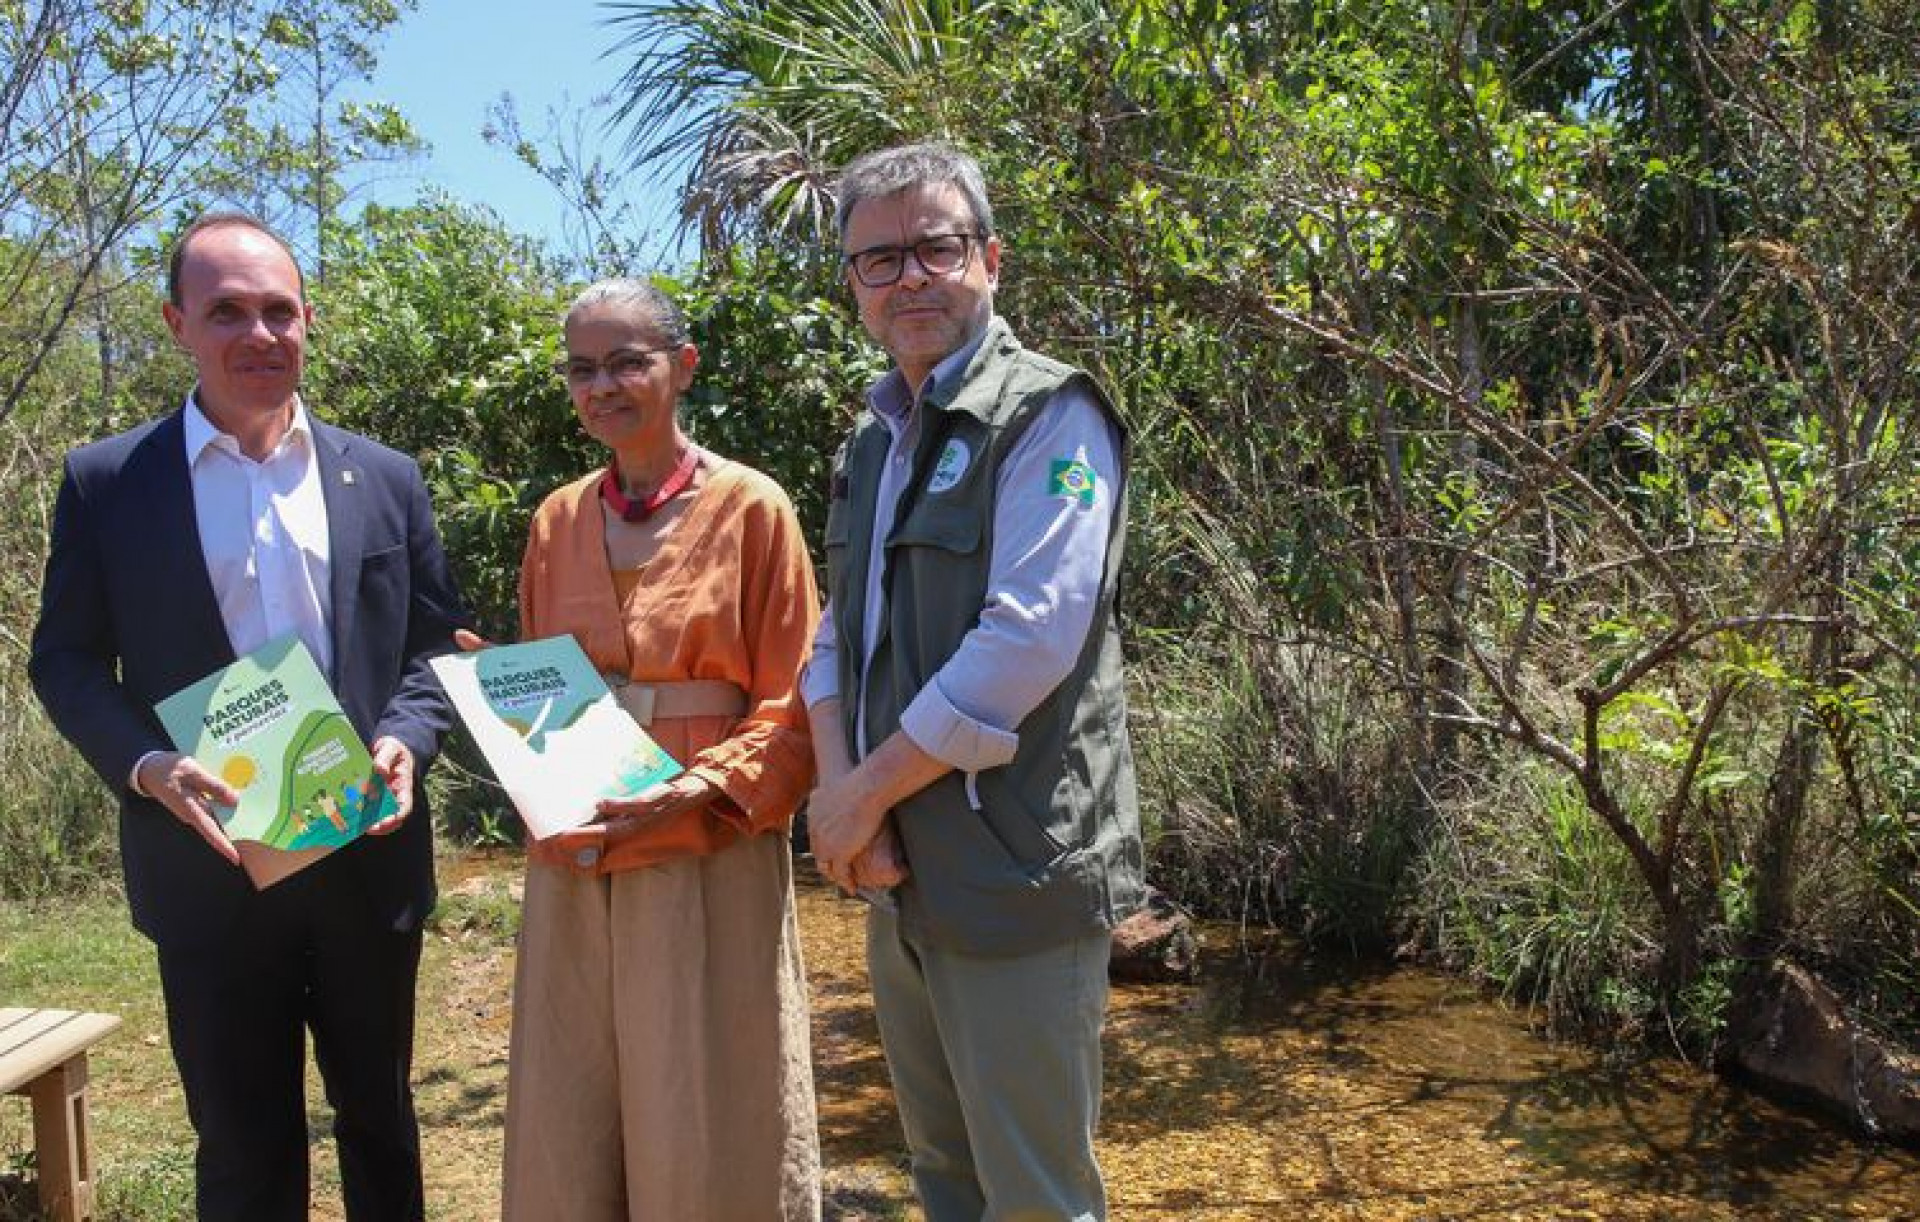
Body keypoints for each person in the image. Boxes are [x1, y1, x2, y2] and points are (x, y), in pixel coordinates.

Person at [28, 213, 467, 1221]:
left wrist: (407, 736)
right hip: (209, 862)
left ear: (308, 320)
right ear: (178, 321)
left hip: (365, 851)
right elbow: (65, 657)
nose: (259, 334)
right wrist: (146, 763)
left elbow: (436, 646)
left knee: (380, 1124)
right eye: (227, 311)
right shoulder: (108, 483)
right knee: (239, 1141)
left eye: (280, 311)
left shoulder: (384, 476)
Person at [802, 141, 1146, 1221]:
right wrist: (838, 802)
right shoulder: (874, 440)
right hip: (899, 870)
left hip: (1017, 872)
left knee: (1036, 1197)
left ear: (989, 258)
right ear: (853, 286)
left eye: (935, 248)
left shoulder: (1050, 414)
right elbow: (835, 638)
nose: (908, 277)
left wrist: (862, 795)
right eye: (878, 258)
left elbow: (1027, 641)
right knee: (944, 1178)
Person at [496, 279, 822, 1221]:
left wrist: (700, 789)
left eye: (628, 361)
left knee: (708, 1108)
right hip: (575, 850)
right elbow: (539, 682)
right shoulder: (557, 519)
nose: (605, 386)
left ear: (682, 368)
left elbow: (798, 704)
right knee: (573, 1101)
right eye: (584, 368)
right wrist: (499, 695)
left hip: (706, 848)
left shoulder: (755, 508)